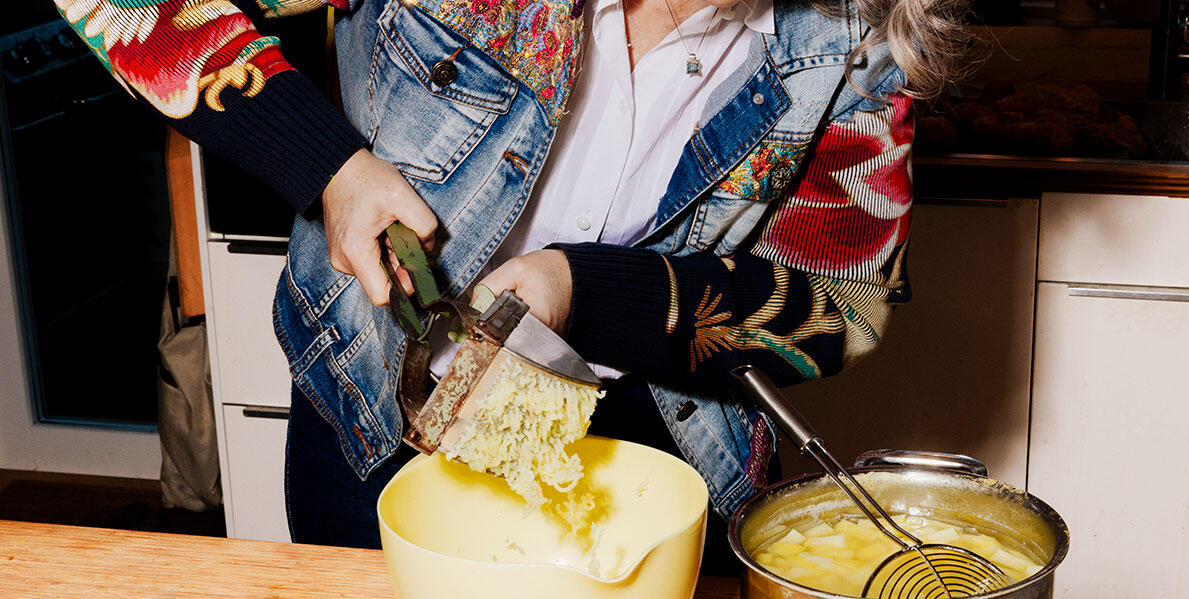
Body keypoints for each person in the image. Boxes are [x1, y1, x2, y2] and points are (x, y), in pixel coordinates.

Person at [56, 0, 966, 561]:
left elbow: (840, 307)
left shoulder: (857, 44)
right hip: (377, 411)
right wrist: (325, 164)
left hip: (652, 457)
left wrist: (585, 292)